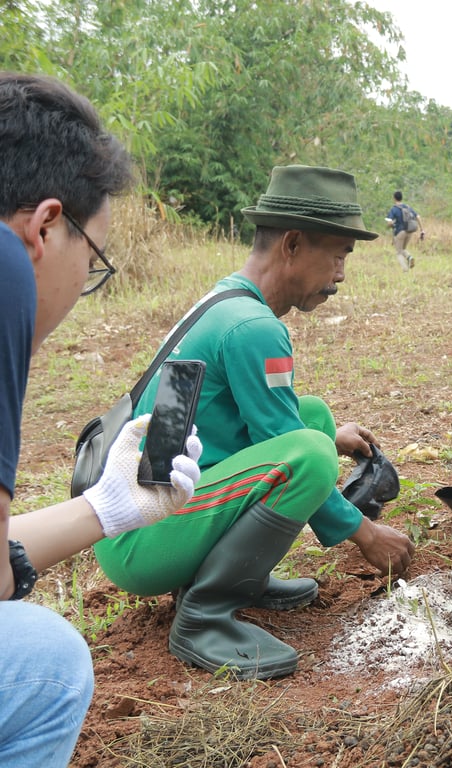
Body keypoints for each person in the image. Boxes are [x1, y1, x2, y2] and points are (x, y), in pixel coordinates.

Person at [92, 165, 416, 680]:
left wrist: (327, 434)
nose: (340, 274)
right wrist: (367, 534)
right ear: (292, 244)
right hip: (141, 538)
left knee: (313, 418)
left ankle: (241, 577)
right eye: (337, 255)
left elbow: (196, 420)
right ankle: (204, 617)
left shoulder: (225, 302)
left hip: (132, 514)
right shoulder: (254, 327)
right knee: (309, 453)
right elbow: (291, 450)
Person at [1, 72, 202, 768]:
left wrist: (106, 507)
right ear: (46, 226)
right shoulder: (5, 266)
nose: (80, 286)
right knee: (45, 662)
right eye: (91, 260)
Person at [385, 189, 423, 272]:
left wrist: (391, 225)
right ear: (401, 198)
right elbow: (418, 217)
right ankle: (410, 257)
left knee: (399, 252)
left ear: (394, 198)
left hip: (400, 232)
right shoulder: (408, 207)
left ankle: (405, 269)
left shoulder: (394, 209)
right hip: (409, 231)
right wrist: (422, 230)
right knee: (403, 249)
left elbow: (389, 222)